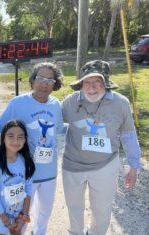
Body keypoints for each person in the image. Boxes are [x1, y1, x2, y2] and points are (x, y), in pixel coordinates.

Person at [61, 60, 142, 235]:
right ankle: (76, 232)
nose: (91, 87)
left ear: (105, 83)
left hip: (106, 165)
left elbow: (128, 135)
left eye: (97, 82)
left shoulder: (121, 103)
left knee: (102, 209)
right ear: (81, 84)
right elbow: (54, 127)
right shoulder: (69, 102)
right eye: (86, 82)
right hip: (72, 165)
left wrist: (133, 166)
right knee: (74, 206)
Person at [0, 62, 64, 235]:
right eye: (40, 78)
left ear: (55, 84)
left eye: (50, 80)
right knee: (21, 214)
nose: (44, 84)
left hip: (49, 173)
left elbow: (59, 131)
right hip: (25, 172)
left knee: (44, 213)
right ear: (32, 80)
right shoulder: (18, 103)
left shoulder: (55, 105)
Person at [0, 120, 35, 235]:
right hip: (0, 220)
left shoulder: (25, 161)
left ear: (25, 140)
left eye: (20, 137)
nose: (15, 141)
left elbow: (28, 189)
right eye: (11, 136)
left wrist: (24, 216)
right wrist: (7, 222)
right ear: (3, 138)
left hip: (18, 218)